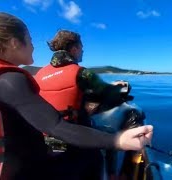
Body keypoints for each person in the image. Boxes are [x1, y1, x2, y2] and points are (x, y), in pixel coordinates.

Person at [0, 12, 153, 180]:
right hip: (47, 154)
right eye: (30, 40)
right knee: (102, 147)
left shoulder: (40, 73)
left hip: (42, 146)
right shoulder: (11, 80)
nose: (33, 46)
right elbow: (58, 125)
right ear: (14, 43)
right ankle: (117, 175)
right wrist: (119, 140)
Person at [34, 30, 144, 178]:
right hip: (76, 140)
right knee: (115, 133)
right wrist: (120, 86)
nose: (83, 50)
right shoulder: (82, 73)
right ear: (74, 49)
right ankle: (114, 176)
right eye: (81, 47)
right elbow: (109, 95)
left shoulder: (39, 74)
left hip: (49, 140)